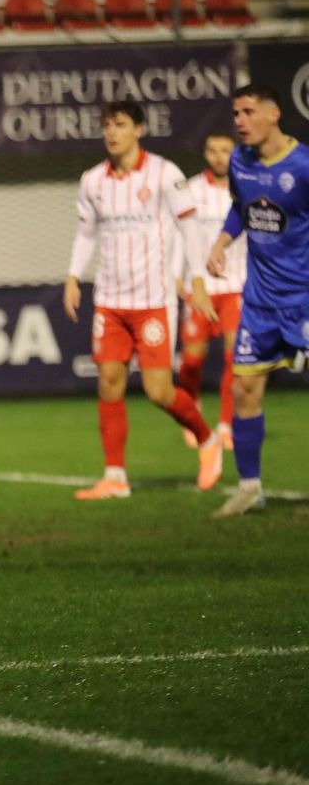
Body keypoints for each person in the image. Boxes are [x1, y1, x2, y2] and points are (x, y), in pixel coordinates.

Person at [63, 100, 224, 501]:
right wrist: (72, 277)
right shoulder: (92, 180)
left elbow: (189, 228)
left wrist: (197, 279)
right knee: (109, 384)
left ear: (138, 129)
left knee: (158, 391)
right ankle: (115, 477)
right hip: (110, 301)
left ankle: (207, 439)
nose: (111, 132)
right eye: (106, 125)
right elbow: (86, 234)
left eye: (119, 124)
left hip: (152, 300)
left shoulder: (164, 173)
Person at [203, 84, 309, 518]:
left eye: (248, 112)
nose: (240, 121)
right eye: (236, 112)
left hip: (304, 299)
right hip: (260, 302)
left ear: (273, 114)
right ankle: (250, 488)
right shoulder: (241, 162)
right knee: (245, 388)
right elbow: (241, 208)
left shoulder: (303, 166)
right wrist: (223, 241)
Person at [176, 131, 244, 450]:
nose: (219, 157)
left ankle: (227, 425)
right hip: (200, 286)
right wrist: (176, 275)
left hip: (236, 286)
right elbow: (178, 235)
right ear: (205, 153)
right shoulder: (190, 189)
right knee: (191, 362)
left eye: (225, 151)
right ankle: (193, 416)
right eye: (213, 150)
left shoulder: (246, 188)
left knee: (235, 358)